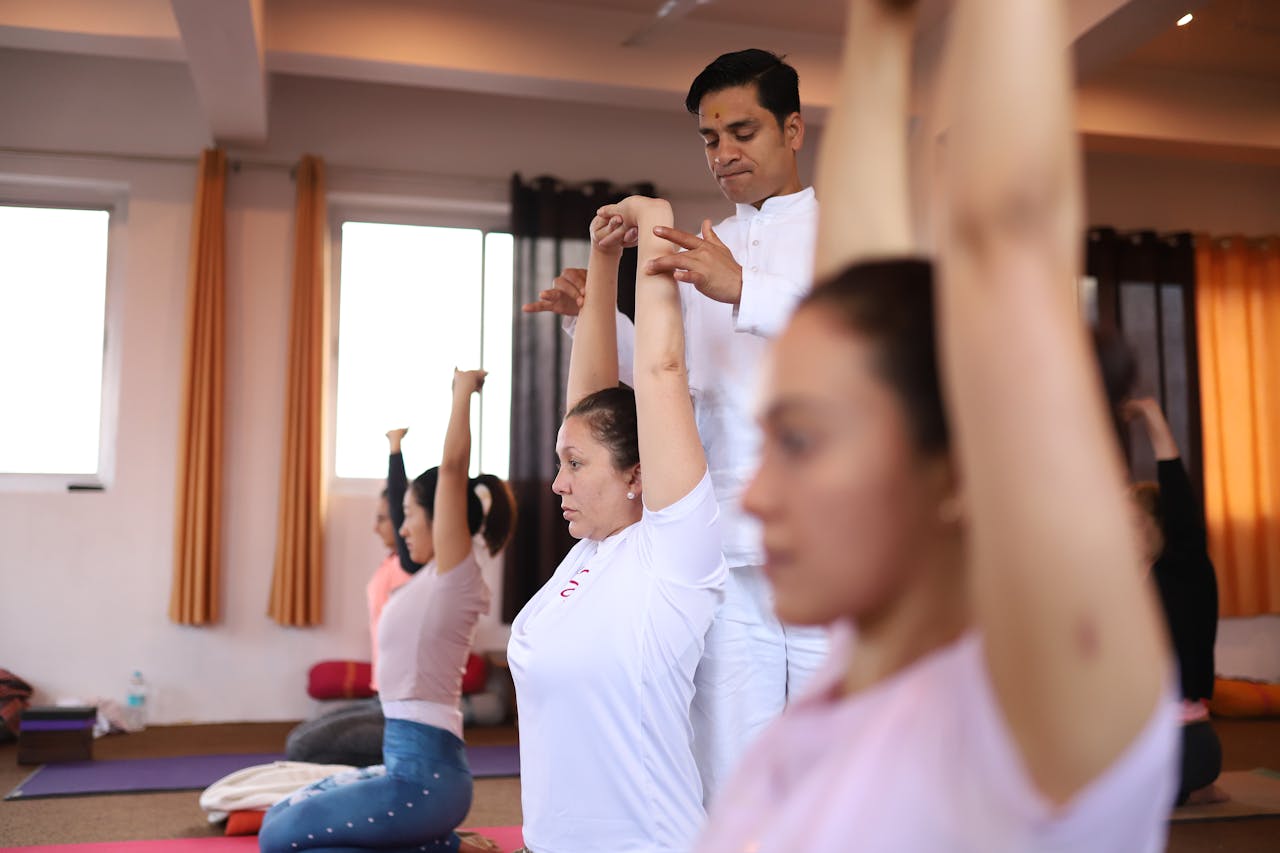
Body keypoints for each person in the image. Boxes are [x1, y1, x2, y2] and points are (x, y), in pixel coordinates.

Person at [697, 0, 1178, 850]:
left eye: (801, 442)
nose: (760, 490)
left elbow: (1007, 236)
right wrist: (879, 30)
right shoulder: (864, 665)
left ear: (960, 470)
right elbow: (864, 283)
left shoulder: (1038, 705)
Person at [523, 47, 827, 803]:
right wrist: (593, 315)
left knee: (839, 770)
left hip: (828, 547)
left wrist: (744, 285)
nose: (724, 154)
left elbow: (873, 350)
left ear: (793, 129)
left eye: (743, 132)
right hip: (724, 547)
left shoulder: (846, 236)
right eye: (709, 139)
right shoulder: (702, 248)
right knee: (730, 772)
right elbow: (674, 378)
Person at [508, 198, 727, 852]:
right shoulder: (587, 553)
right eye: (558, 462)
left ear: (638, 472)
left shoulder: (672, 554)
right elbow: (592, 407)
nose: (557, 483)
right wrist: (603, 258)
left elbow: (661, 370)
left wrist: (652, 218)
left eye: (574, 465)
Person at [260, 370, 514, 853]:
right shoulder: (425, 579)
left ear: (443, 520)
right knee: (280, 814)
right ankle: (433, 843)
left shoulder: (455, 577)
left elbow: (453, 471)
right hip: (410, 768)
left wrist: (461, 396)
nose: (404, 527)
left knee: (279, 839)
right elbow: (422, 505)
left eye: (411, 515)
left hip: (425, 779)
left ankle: (439, 845)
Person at [284, 434, 421, 768]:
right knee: (302, 735)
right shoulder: (391, 563)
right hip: (382, 699)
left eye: (382, 518)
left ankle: (406, 762)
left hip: (407, 710)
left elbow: (401, 503)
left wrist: (395, 452)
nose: (375, 527)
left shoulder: (412, 566)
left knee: (301, 747)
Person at [1124, 396, 1225, 806]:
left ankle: (1195, 785)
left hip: (1184, 744)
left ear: (1158, 527)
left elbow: (1180, 501)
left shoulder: (1184, 574)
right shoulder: (1126, 582)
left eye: (1131, 522)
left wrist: (1151, 418)